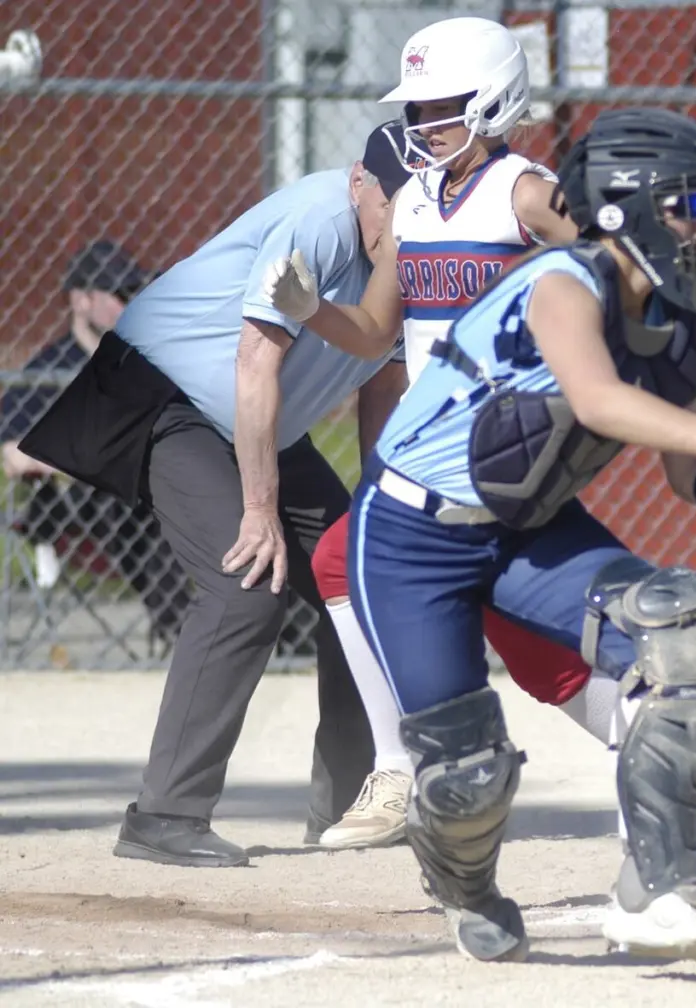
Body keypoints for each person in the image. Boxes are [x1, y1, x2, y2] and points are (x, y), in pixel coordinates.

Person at [271, 108, 696, 962]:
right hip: (411, 538)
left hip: (526, 527)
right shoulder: (563, 281)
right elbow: (601, 401)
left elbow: (689, 478)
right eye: (687, 203)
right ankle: (464, 882)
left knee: (672, 623)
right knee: (467, 778)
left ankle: (658, 892)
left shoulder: (684, 328)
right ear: (620, 209)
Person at [18, 123, 415, 867]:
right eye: (391, 204)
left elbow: (383, 381)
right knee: (245, 587)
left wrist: (377, 508)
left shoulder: (415, 245)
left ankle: (350, 810)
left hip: (255, 422)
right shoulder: (320, 223)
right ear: (361, 179)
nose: (400, 225)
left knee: (361, 580)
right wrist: (260, 510)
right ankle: (164, 814)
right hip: (165, 395)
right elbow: (254, 363)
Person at [1, 241, 191, 652]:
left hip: (146, 492)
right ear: (81, 300)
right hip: (74, 506)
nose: (130, 304)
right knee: (121, 503)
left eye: (134, 293)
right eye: (120, 295)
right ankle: (181, 633)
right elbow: (13, 456)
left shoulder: (143, 363)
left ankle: (272, 632)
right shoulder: (47, 369)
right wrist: (93, 460)